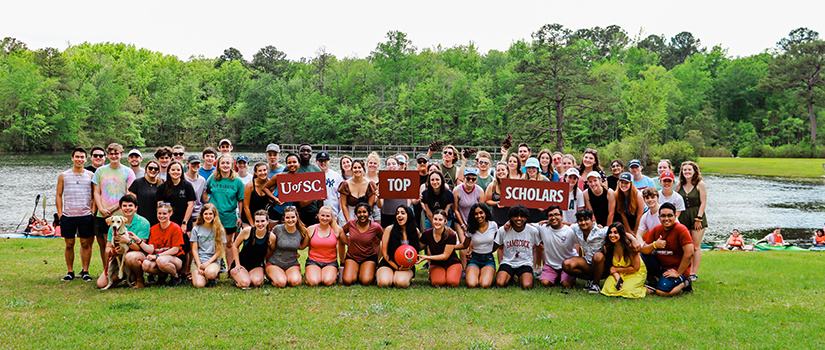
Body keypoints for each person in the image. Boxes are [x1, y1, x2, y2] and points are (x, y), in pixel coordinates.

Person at [92, 143, 136, 269]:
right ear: (107, 155)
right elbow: (96, 191)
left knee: (122, 242)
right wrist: (100, 208)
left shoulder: (128, 172)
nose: (114, 156)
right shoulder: (100, 171)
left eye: (116, 153)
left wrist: (115, 208)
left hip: (122, 215)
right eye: (111, 154)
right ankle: (107, 269)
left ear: (121, 155)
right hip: (103, 214)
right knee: (107, 244)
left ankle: (124, 269)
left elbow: (129, 193)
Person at [94, 195, 151, 288]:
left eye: (130, 205)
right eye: (124, 206)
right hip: (119, 258)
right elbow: (107, 248)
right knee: (101, 284)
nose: (127, 208)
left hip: (136, 255)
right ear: (120, 208)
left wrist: (128, 241)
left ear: (136, 208)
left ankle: (139, 279)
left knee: (130, 257)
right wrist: (113, 251)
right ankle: (125, 275)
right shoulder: (114, 224)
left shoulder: (143, 223)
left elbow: (140, 248)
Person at [56, 147, 96, 282]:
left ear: (86, 159)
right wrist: (60, 213)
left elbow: (95, 194)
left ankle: (85, 271)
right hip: (68, 215)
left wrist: (93, 210)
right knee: (69, 243)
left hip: (85, 214)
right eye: (77, 157)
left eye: (82, 157)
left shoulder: (90, 175)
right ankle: (70, 271)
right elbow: (59, 195)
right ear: (72, 158)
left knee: (85, 243)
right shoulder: (64, 175)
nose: (79, 159)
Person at [640, 203, 694, 297]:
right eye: (663, 216)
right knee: (641, 257)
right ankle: (653, 283)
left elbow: (689, 253)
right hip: (661, 267)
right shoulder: (656, 230)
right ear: (659, 217)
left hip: (676, 269)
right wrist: (654, 245)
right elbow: (643, 251)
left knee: (662, 292)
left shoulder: (681, 230)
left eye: (669, 215)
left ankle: (685, 283)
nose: (666, 219)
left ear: (675, 216)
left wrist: (678, 273)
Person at [204, 154, 245, 269]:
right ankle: (215, 266)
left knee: (229, 243)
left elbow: (240, 200)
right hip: (214, 216)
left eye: (228, 163)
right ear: (218, 165)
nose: (225, 165)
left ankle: (231, 268)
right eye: (223, 163)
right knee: (213, 243)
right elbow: (206, 191)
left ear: (232, 165)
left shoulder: (237, 181)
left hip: (229, 216)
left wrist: (240, 217)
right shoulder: (213, 178)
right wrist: (208, 203)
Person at [562, 209, 608, 293]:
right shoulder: (577, 228)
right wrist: (548, 221)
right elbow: (567, 224)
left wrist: (633, 238)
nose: (583, 223)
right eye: (580, 220)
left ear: (592, 220)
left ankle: (596, 284)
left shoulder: (601, 231)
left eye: (586, 219)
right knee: (566, 264)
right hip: (588, 263)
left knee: (598, 256)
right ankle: (591, 280)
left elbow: (618, 230)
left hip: (602, 265)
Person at [675, 161, 707, 282]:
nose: (687, 172)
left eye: (689, 170)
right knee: (685, 246)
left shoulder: (700, 184)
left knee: (696, 246)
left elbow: (703, 202)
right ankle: (685, 270)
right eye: (685, 170)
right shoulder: (679, 185)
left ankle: (694, 273)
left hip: (696, 216)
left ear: (694, 171)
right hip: (683, 217)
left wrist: (698, 219)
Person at [495, 205, 540, 289]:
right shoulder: (503, 230)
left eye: (522, 216)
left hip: (525, 263)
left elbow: (534, 248)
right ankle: (511, 276)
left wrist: (533, 267)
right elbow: (500, 248)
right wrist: (501, 264)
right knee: (500, 283)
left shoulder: (532, 231)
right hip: (508, 262)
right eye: (515, 216)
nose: (519, 218)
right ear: (511, 218)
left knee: (527, 286)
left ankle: (521, 276)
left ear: (526, 218)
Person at [142, 203, 186, 287]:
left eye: (164, 213)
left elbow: (175, 249)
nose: (162, 216)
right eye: (159, 213)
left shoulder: (175, 228)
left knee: (161, 261)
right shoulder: (153, 229)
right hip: (159, 257)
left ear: (170, 214)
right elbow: (151, 247)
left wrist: (157, 255)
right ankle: (162, 275)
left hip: (175, 258)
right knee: (145, 265)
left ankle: (175, 276)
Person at [376, 205, 420, 288]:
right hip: (388, 262)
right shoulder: (389, 229)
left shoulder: (415, 231)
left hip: (406, 265)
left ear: (409, 215)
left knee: (400, 283)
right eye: (397, 213)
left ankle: (399, 277)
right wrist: (397, 268)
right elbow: (385, 253)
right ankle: (386, 275)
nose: (399, 215)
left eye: (402, 213)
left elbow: (417, 248)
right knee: (384, 283)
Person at [265, 206, 310, 287]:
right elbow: (269, 246)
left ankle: (285, 275)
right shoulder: (277, 229)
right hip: (275, 263)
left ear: (297, 217)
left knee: (295, 282)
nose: (290, 220)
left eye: (293, 217)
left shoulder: (301, 231)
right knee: (281, 283)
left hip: (291, 264)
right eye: (287, 217)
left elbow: (302, 246)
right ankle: (273, 276)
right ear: (284, 218)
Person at [600, 222, 647, 298]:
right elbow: (611, 267)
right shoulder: (608, 247)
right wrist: (617, 277)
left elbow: (635, 268)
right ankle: (627, 284)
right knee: (607, 290)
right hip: (618, 272)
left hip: (634, 272)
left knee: (627, 292)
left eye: (615, 233)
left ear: (621, 234)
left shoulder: (630, 247)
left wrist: (616, 269)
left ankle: (644, 289)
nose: (612, 235)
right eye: (610, 233)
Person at [536, 205, 578, 288]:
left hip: (567, 265)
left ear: (562, 216)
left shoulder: (570, 230)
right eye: (550, 215)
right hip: (551, 265)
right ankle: (557, 276)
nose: (553, 217)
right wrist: (509, 222)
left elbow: (583, 226)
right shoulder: (543, 227)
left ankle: (567, 276)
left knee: (566, 285)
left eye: (556, 215)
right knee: (544, 283)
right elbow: (527, 226)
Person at [230, 210, 274, 289]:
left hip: (256, 266)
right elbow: (235, 246)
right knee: (245, 283)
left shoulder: (271, 237)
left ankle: (248, 276)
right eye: (257, 221)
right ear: (254, 222)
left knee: (257, 282)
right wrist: (237, 264)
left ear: (267, 221)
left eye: (263, 221)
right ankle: (238, 278)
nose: (260, 224)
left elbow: (271, 252)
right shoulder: (247, 231)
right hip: (242, 264)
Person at [341, 202, 383, 286]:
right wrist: (346, 241)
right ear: (356, 214)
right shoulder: (351, 223)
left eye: (364, 212)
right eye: (359, 212)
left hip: (369, 257)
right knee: (347, 281)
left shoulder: (375, 227)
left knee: (366, 281)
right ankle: (356, 271)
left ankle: (368, 271)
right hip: (352, 257)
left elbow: (384, 239)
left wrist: (379, 256)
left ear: (369, 213)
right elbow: (342, 231)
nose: (362, 214)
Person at [418, 209, 462, 287]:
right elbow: (418, 247)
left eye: (440, 220)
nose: (437, 222)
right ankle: (437, 274)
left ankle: (451, 273)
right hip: (437, 264)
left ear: (445, 222)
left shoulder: (451, 235)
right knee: (437, 283)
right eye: (435, 219)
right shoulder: (427, 234)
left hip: (451, 262)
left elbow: (445, 256)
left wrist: (426, 257)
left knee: (452, 283)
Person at [305, 206, 343, 286]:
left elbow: (345, 243)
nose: (325, 218)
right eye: (322, 215)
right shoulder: (311, 229)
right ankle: (309, 274)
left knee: (327, 281)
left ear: (331, 217)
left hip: (330, 262)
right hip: (313, 261)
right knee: (313, 282)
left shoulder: (337, 230)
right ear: (318, 215)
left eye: (327, 216)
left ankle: (334, 274)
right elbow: (302, 246)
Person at [190, 203, 226, 288]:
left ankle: (212, 278)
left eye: (210, 214)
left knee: (210, 273)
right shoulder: (196, 229)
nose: (208, 216)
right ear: (202, 215)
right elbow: (194, 250)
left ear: (214, 215)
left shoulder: (219, 229)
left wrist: (208, 263)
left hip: (212, 261)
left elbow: (220, 250)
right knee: (199, 285)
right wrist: (199, 266)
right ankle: (200, 275)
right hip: (198, 260)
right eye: (205, 214)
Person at [463, 203, 498, 288]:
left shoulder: (493, 225)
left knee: (485, 284)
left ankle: (483, 274)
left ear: (485, 213)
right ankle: (475, 273)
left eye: (481, 213)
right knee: (471, 284)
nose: (479, 216)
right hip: (474, 259)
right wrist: (450, 246)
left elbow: (497, 242)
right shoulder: (470, 228)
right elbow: (464, 245)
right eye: (476, 214)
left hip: (488, 259)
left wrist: (490, 250)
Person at [156, 162, 195, 228]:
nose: (175, 172)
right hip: (168, 222)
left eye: (178, 170)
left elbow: (190, 205)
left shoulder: (187, 185)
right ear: (168, 171)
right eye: (173, 170)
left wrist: (184, 222)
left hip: (184, 222)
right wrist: (165, 221)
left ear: (182, 172)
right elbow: (160, 205)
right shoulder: (162, 187)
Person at [338, 159, 378, 223]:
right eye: (355, 168)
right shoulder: (345, 184)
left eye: (359, 167)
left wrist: (364, 221)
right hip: (348, 215)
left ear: (363, 169)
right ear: (352, 169)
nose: (357, 170)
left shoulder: (370, 185)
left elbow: (370, 206)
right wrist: (349, 222)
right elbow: (344, 205)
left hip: (365, 216)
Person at [128, 160, 163, 226]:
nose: (153, 170)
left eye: (156, 169)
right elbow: (132, 202)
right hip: (141, 220)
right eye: (150, 168)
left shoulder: (161, 183)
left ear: (158, 171)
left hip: (157, 220)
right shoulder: (138, 183)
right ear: (146, 169)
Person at [377, 156, 409, 227]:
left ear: (398, 166)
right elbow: (380, 205)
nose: (391, 166)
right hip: (386, 215)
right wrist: (378, 197)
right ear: (386, 167)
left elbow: (412, 201)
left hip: (402, 214)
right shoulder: (382, 181)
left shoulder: (406, 179)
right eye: (388, 164)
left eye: (393, 164)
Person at [296, 144, 323, 225]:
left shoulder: (316, 170)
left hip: (312, 210)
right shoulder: (292, 168)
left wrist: (319, 212)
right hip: (296, 211)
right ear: (298, 152)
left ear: (311, 153)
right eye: (303, 151)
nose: (305, 153)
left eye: (308, 151)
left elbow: (320, 195)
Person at [317, 151, 345, 225]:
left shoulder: (336, 176)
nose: (323, 163)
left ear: (329, 161)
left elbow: (340, 197)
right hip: (317, 214)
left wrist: (340, 214)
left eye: (325, 161)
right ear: (316, 162)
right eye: (321, 161)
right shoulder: (313, 176)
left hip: (333, 213)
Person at [454, 168, 485, 233]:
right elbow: (455, 210)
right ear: (463, 179)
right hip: (460, 220)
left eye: (473, 179)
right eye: (468, 178)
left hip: (475, 220)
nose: (470, 181)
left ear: (476, 180)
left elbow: (481, 210)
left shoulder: (480, 191)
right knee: (463, 242)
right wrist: (463, 225)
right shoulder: (456, 190)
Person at [243, 163, 271, 227]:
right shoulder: (250, 186)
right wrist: (252, 224)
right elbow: (246, 207)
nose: (263, 173)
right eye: (260, 171)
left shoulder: (270, 184)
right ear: (255, 173)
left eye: (264, 170)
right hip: (249, 218)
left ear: (267, 171)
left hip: (263, 219)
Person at [485, 162, 510, 226]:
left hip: (509, 220)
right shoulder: (492, 185)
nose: (500, 172)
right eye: (498, 170)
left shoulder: (513, 184)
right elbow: (487, 200)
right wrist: (496, 203)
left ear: (507, 171)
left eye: (503, 170)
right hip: (495, 219)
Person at [184, 155, 206, 226]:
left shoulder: (202, 180)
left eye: (198, 164)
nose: (196, 165)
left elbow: (205, 198)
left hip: (197, 214)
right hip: (185, 213)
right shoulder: (183, 178)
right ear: (188, 164)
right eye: (193, 163)